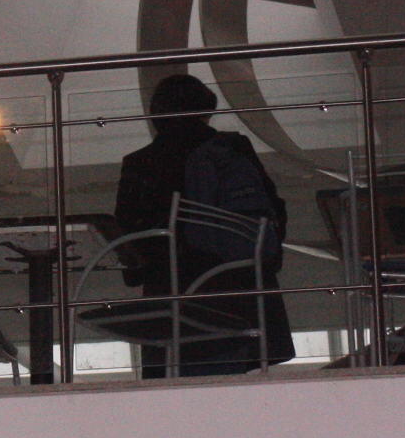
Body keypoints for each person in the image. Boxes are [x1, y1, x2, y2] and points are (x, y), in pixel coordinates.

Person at [113, 74, 293, 376]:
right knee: (231, 392)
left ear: (158, 113)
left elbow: (130, 237)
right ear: (205, 111)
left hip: (173, 294)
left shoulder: (141, 163)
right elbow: (270, 212)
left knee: (175, 395)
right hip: (238, 289)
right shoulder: (233, 149)